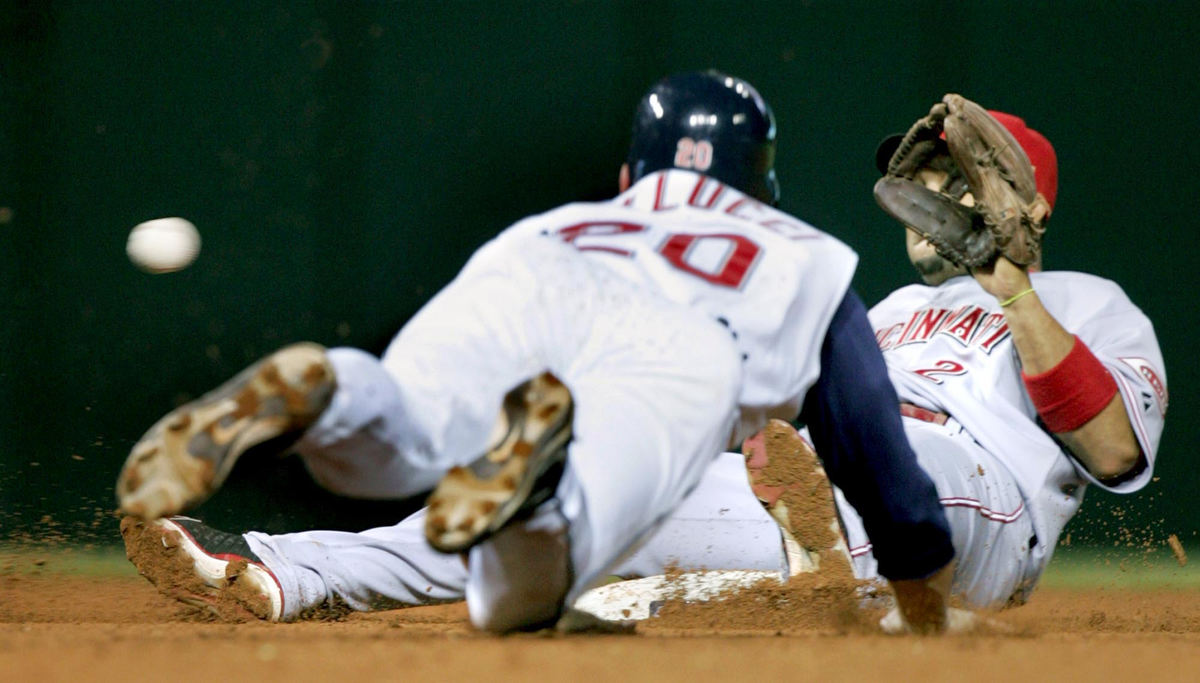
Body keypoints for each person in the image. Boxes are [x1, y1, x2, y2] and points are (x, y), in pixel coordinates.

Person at [117, 70, 957, 634]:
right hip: (673, 361)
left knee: (401, 427)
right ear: (761, 185)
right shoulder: (797, 251)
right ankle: (544, 493)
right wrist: (920, 582)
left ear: (635, 172)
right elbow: (872, 449)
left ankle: (335, 390)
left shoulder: (567, 221)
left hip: (534, 274)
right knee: (521, 593)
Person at [828, 105, 1166, 610]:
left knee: (884, 468)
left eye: (954, 183)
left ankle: (820, 576)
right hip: (837, 465)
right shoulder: (887, 310)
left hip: (976, 480)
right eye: (920, 183)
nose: (926, 202)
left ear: (1033, 211)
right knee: (682, 502)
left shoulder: (1088, 300)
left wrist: (1012, 290)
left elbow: (1114, 451)